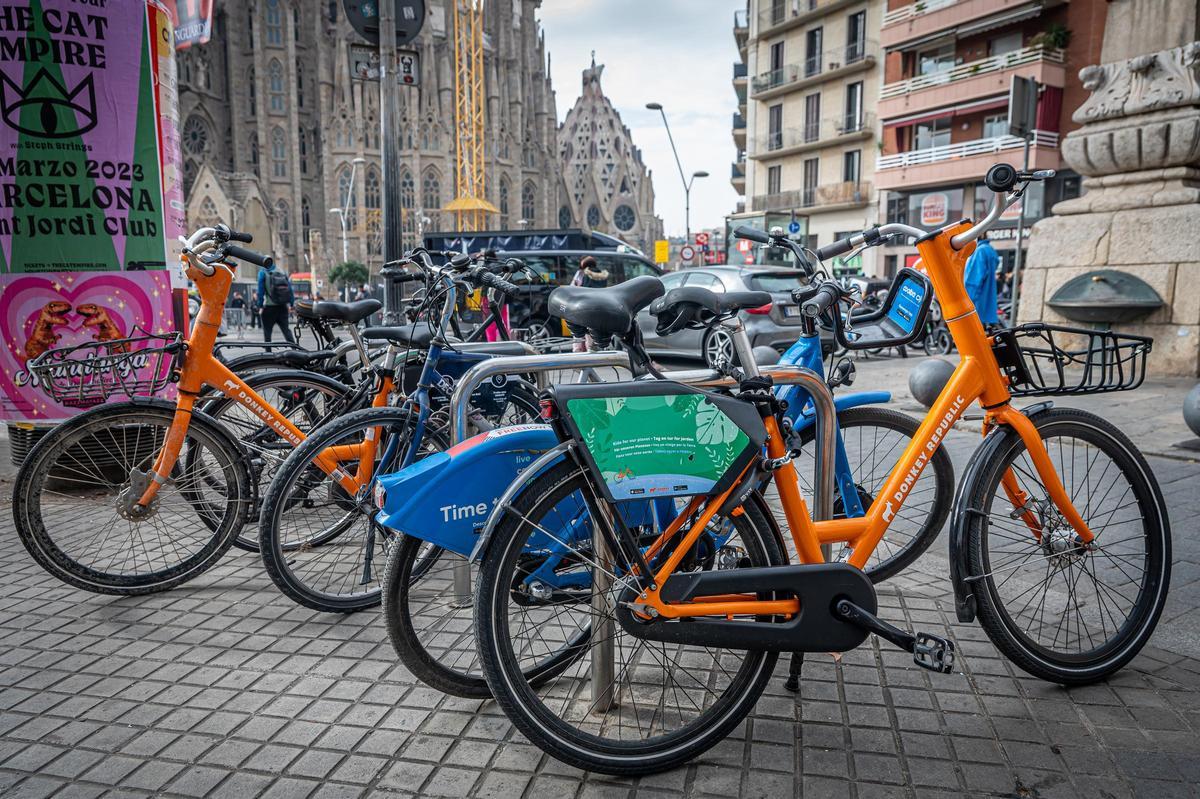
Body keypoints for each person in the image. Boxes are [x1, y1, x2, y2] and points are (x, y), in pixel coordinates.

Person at [569, 256, 609, 352]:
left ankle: (578, 353)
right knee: (592, 332)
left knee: (578, 332)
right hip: (599, 308)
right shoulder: (602, 275)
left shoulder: (581, 274)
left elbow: (573, 288)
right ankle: (591, 350)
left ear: (583, 265)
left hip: (583, 307)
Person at [964, 234, 1000, 328]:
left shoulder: (980, 251)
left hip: (977, 305)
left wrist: (966, 302)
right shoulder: (990, 250)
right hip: (988, 305)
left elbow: (973, 281)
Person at [257, 262, 296, 344]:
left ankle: (268, 353)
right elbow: (290, 290)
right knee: (286, 331)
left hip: (269, 308)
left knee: (267, 333)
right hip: (283, 307)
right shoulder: (281, 272)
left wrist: (260, 306)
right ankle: (296, 351)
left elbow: (260, 291)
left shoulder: (262, 273)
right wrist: (292, 304)